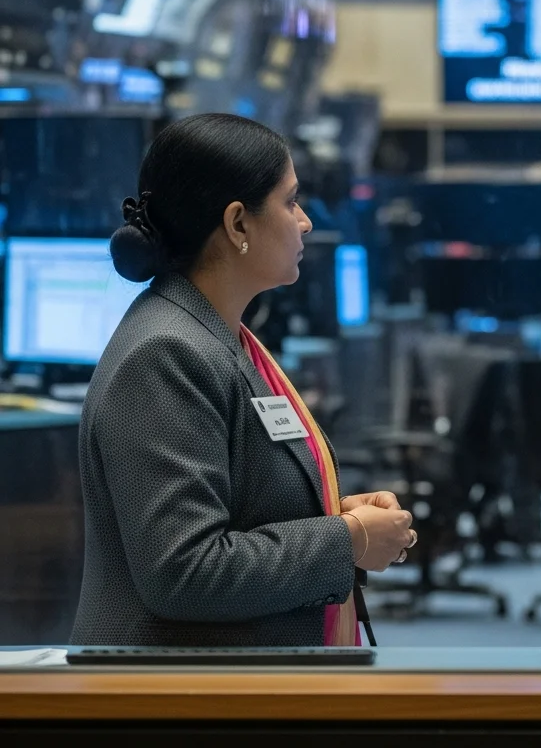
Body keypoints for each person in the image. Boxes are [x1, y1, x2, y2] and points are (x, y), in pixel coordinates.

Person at [71, 113, 415, 647]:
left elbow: (240, 508)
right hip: (174, 707)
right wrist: (347, 539)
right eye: (290, 201)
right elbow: (185, 572)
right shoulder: (167, 353)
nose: (304, 222)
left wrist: (332, 514)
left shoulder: (219, 335)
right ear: (237, 225)